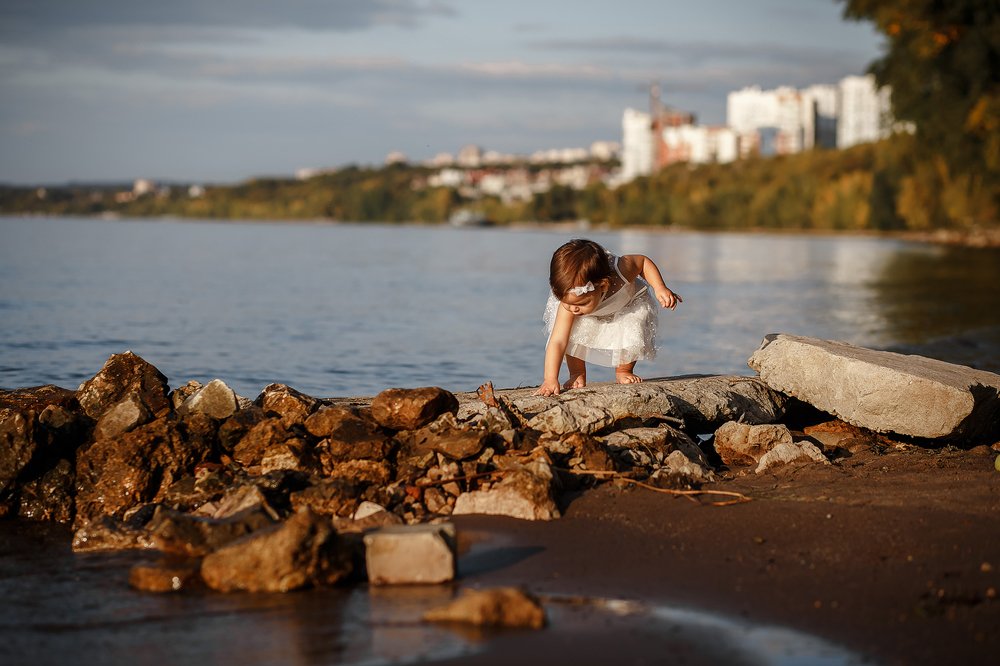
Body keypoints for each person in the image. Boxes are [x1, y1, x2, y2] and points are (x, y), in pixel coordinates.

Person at [536, 238, 681, 396]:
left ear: (603, 286)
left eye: (581, 303)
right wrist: (550, 379)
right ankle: (576, 373)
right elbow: (557, 341)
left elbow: (643, 262)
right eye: (566, 303)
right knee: (572, 330)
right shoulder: (570, 306)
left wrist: (660, 287)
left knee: (634, 322)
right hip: (597, 310)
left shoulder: (622, 269)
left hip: (626, 304)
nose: (573, 309)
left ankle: (624, 370)